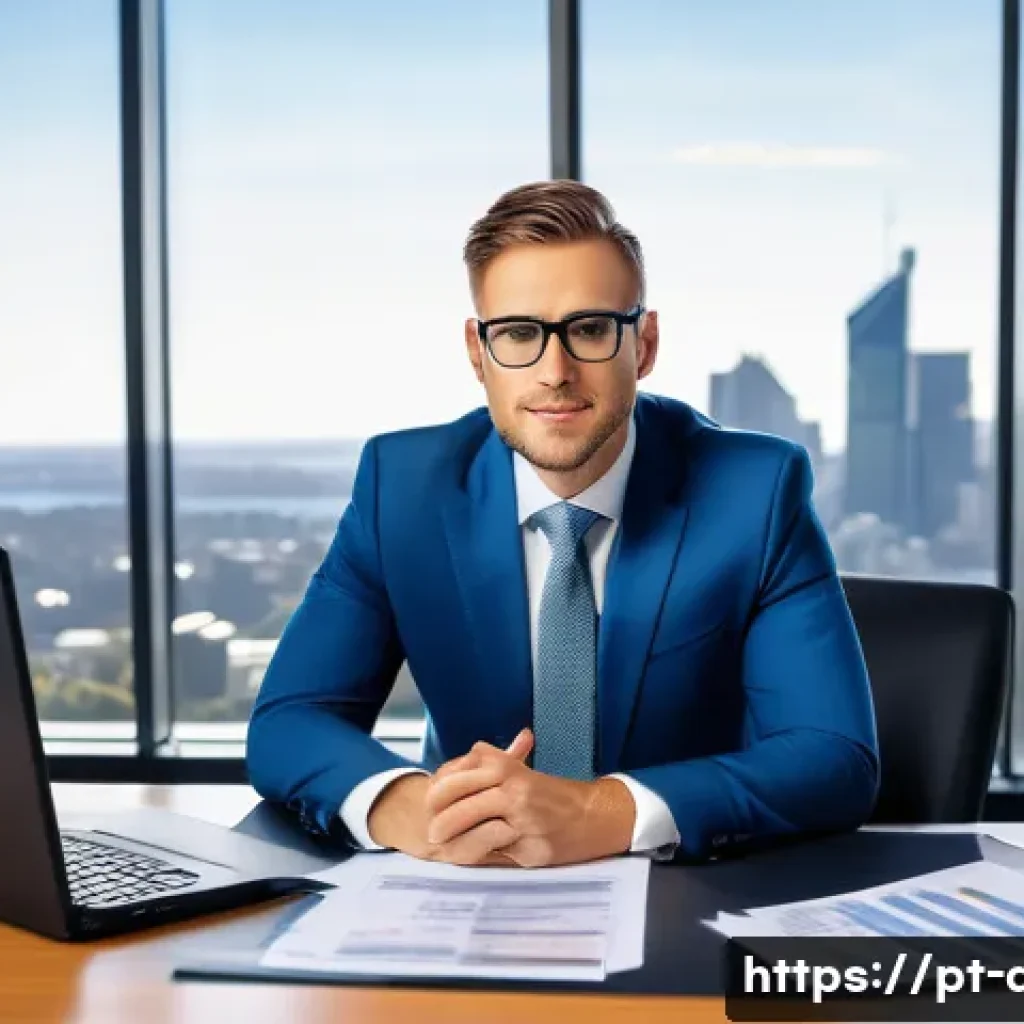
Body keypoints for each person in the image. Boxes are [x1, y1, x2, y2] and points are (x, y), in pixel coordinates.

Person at [246, 180, 879, 868]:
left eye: (589, 329)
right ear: (476, 352)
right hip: (465, 882)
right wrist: (411, 806)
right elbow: (289, 722)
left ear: (645, 343)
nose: (555, 371)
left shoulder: (754, 490)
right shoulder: (401, 487)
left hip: (682, 892)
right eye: (518, 333)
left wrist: (599, 812)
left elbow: (834, 757)